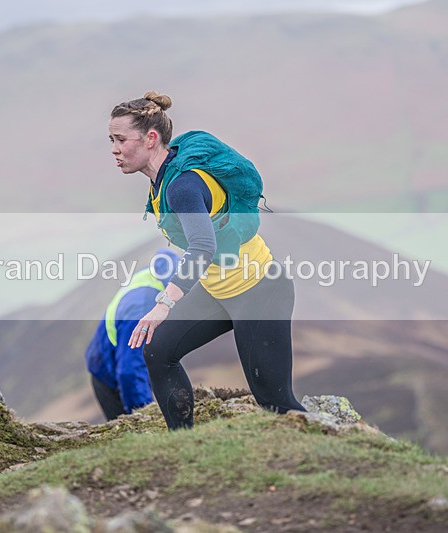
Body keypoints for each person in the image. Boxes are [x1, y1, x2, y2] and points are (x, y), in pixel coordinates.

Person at [108, 91, 306, 430]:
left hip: (259, 291)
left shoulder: (182, 187)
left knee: (276, 403)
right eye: (111, 140)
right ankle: (184, 441)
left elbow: (202, 247)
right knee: (158, 350)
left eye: (121, 139)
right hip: (217, 290)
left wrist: (163, 303)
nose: (114, 149)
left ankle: (336, 447)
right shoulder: (164, 178)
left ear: (151, 138)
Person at [85, 248, 180, 420]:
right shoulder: (142, 309)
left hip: (115, 357)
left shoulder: (156, 276)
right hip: (108, 374)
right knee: (129, 429)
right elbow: (130, 371)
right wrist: (145, 416)